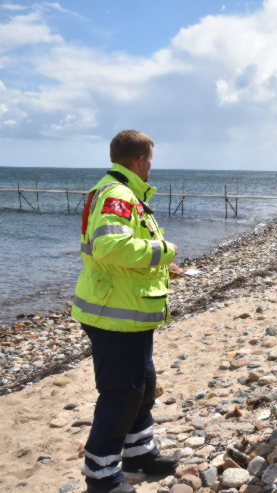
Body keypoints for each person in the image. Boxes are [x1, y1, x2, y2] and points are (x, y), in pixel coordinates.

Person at [72, 130, 180, 493]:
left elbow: (123, 250)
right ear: (139, 160)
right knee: (122, 393)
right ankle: (100, 476)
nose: (152, 165)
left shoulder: (124, 192)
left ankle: (139, 454)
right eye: (150, 158)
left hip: (127, 309)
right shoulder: (118, 194)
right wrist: (164, 251)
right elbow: (109, 247)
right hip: (113, 312)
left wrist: (163, 267)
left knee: (142, 387)